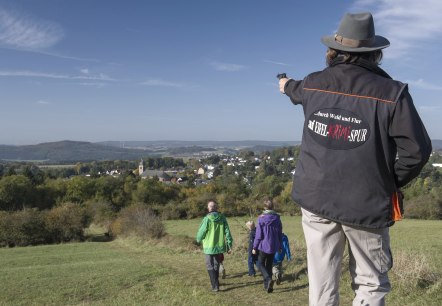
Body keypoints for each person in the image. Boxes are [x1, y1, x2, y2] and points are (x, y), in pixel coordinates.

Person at [278, 12, 432, 305]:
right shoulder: (392, 92)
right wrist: (386, 182)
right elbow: (417, 150)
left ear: (334, 50)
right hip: (366, 202)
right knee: (370, 284)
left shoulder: (313, 83)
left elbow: (295, 90)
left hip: (315, 199)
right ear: (374, 53)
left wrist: (284, 85)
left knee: (321, 284)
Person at [196, 200, 233, 292]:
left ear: (209, 208)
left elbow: (202, 232)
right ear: (216, 208)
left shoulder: (207, 219)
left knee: (210, 265)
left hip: (208, 246)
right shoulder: (222, 218)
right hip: (219, 246)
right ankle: (216, 283)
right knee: (216, 265)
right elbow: (227, 232)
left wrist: (198, 239)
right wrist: (229, 244)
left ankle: (215, 286)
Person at [252, 199, 283, 293]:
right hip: (273, 245)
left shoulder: (261, 218)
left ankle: (268, 279)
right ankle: (268, 287)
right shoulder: (277, 218)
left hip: (263, 245)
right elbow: (279, 233)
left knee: (260, 263)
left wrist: (254, 247)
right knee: (269, 265)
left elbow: (259, 235)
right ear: (272, 207)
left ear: (264, 207)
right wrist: (280, 245)